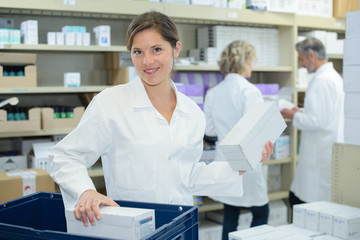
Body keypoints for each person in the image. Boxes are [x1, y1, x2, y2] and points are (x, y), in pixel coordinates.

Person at [49, 11, 273, 228]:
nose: (147, 61)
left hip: (179, 225)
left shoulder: (191, 112)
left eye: (156, 49)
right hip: (132, 227)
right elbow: (65, 156)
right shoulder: (110, 103)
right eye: (138, 52)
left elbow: (189, 174)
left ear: (176, 49)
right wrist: (85, 191)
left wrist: (241, 166)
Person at [204, 41, 270, 240]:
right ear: (244, 62)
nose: (252, 66)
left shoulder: (213, 92)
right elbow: (256, 131)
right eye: (251, 61)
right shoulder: (249, 91)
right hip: (247, 161)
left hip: (225, 161)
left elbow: (209, 130)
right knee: (261, 212)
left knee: (230, 215)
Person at [281, 37, 344, 215]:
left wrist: (295, 116)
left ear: (311, 56)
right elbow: (323, 114)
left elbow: (318, 121)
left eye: (301, 59)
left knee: (303, 201)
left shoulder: (322, 80)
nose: (301, 64)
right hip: (325, 148)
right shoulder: (333, 77)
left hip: (319, 153)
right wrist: (300, 112)